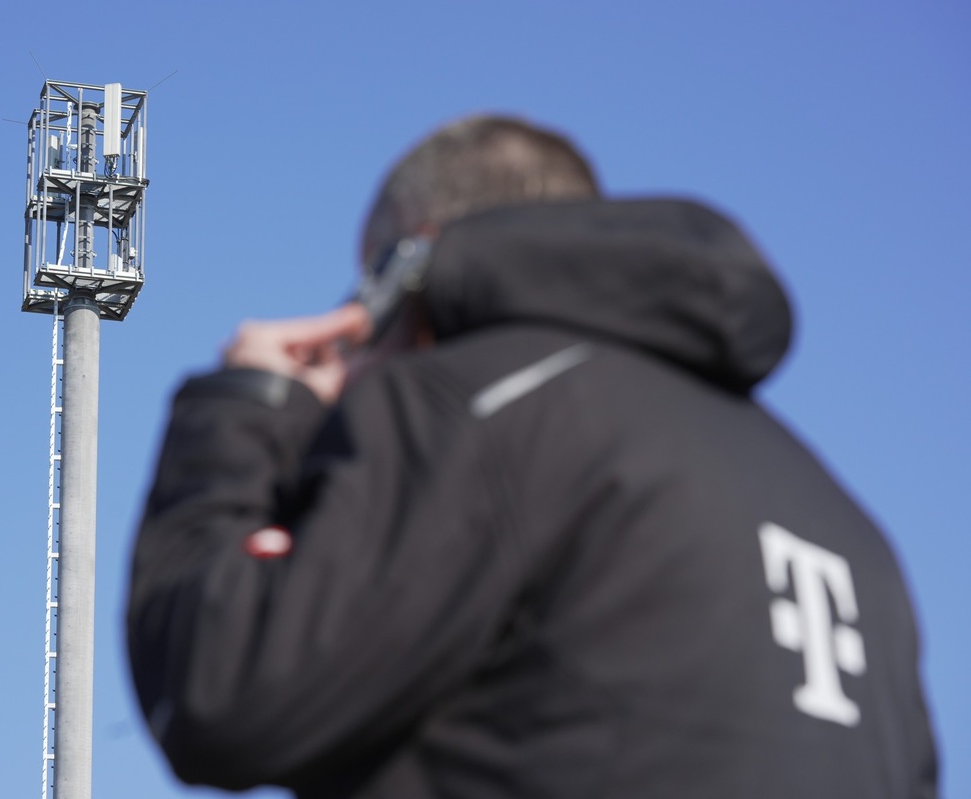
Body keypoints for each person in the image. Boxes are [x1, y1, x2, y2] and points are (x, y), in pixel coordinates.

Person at [127, 116, 938, 798]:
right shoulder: (853, 529)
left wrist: (240, 412)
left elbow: (216, 696)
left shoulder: (479, 405)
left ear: (411, 260)